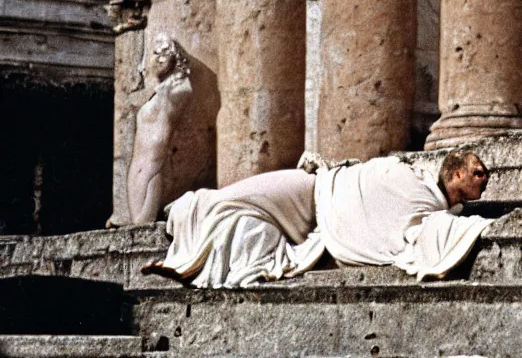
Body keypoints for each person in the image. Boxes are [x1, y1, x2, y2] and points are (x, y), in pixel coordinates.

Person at [142, 151, 493, 288]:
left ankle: (190, 264)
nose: (484, 175)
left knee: (243, 222)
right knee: (226, 199)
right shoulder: (419, 180)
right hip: (312, 189)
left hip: (316, 218)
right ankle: (183, 220)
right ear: (457, 174)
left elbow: (428, 235)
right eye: (477, 170)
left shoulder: (434, 212)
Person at [126, 33, 193, 224]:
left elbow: (184, 87)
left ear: (175, 55)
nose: (160, 58)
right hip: (136, 166)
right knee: (137, 224)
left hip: (154, 165)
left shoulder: (180, 89)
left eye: (165, 52)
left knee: (142, 223)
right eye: (156, 53)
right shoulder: (155, 93)